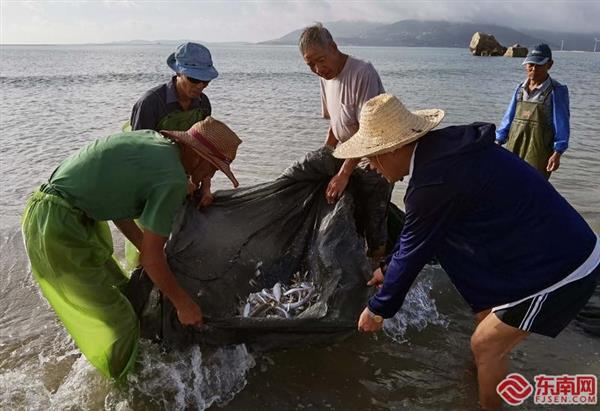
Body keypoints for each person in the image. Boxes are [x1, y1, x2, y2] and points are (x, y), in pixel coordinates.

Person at [334, 93, 599, 410]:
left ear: (391, 151)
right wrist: (388, 268)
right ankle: (480, 380)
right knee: (485, 322)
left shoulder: (433, 182)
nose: (371, 167)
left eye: (372, 156)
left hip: (563, 265)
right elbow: (422, 236)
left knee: (485, 345)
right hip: (536, 246)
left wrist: (378, 309)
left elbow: (416, 250)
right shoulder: (444, 152)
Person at [21, 116, 241, 380]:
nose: (211, 175)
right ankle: (125, 391)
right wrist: (184, 305)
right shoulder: (171, 179)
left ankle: (109, 362)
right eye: (214, 167)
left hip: (64, 214)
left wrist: (149, 253)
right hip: (57, 227)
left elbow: (116, 206)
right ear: (197, 156)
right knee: (121, 322)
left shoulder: (156, 145)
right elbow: (150, 259)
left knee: (121, 292)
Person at [299, 23, 391, 262]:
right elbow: (335, 123)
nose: (318, 69)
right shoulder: (324, 78)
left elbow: (367, 130)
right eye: (310, 65)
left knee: (374, 225)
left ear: (333, 47)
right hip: (347, 158)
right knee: (349, 220)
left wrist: (343, 174)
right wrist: (326, 154)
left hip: (375, 162)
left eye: (320, 60)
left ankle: (377, 272)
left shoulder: (363, 73)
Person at [130, 42, 219, 206]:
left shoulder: (203, 104)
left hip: (189, 182)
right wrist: (175, 181)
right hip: (154, 182)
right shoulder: (150, 103)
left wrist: (206, 187)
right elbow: (139, 155)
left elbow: (204, 150)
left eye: (206, 81)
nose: (200, 86)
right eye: (194, 79)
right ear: (178, 72)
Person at [495, 43, 570, 179]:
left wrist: (557, 153)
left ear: (550, 64)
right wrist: (498, 142)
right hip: (513, 148)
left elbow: (562, 125)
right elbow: (508, 118)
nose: (533, 69)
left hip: (539, 154)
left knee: (533, 191)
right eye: (530, 65)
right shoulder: (519, 90)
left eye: (539, 65)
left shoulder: (556, 91)